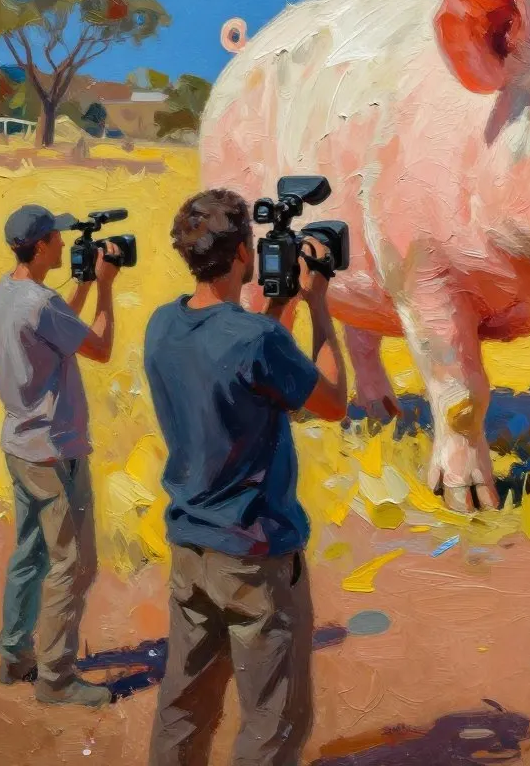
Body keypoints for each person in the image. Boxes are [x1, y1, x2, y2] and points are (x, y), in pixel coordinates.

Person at [144, 188, 348, 766]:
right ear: (241, 255)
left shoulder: (163, 326)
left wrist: (277, 312)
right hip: (255, 555)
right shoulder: (257, 339)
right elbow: (330, 401)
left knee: (185, 704)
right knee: (273, 720)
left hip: (191, 547)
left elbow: (241, 362)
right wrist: (318, 306)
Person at [0, 205, 121, 708]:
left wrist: (82, 286)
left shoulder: (8, 294)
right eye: (59, 240)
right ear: (42, 245)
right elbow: (101, 348)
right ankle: (56, 678)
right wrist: (105, 285)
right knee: (73, 563)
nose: (66, 247)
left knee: (29, 552)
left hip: (20, 444)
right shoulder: (41, 303)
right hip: (52, 448)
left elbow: (54, 330)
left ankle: (15, 653)